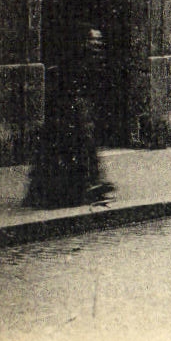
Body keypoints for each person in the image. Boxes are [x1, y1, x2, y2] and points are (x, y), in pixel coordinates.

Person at [25, 24, 114, 207]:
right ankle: (81, 186)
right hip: (71, 109)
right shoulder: (74, 63)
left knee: (86, 144)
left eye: (98, 42)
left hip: (80, 106)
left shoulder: (92, 62)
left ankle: (90, 182)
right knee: (77, 145)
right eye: (93, 42)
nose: (97, 46)